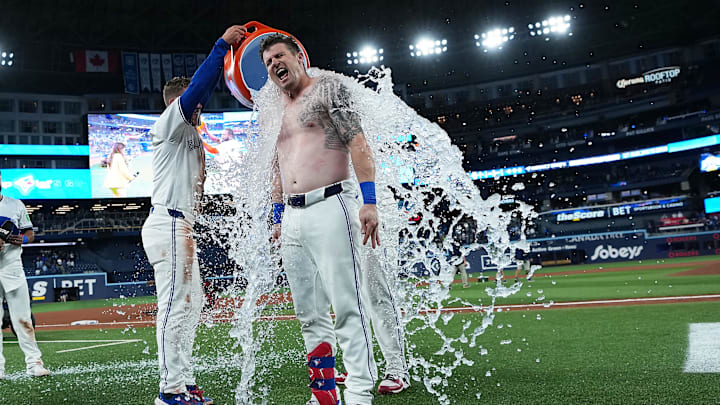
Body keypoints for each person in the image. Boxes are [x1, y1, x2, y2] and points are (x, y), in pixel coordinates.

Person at [262, 33, 379, 405]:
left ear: (299, 56)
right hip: (293, 216)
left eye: (279, 56)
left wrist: (369, 201)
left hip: (332, 204)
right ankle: (325, 393)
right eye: (267, 62)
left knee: (347, 304)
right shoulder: (274, 108)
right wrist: (278, 217)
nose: (274, 65)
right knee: (309, 313)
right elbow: (278, 169)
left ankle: (359, 391)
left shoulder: (327, 89)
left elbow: (357, 141)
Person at [141, 24, 247, 405]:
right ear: (178, 103)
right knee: (175, 305)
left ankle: (183, 382)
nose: (200, 106)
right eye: (193, 102)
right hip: (167, 221)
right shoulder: (171, 123)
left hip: (178, 224)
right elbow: (200, 87)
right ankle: (169, 390)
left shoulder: (192, 135)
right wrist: (221, 46)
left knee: (191, 303)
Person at [0, 171, 50, 380]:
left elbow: (29, 231)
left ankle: (34, 364)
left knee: (23, 318)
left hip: (12, 267)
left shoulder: (15, 204)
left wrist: (24, 240)